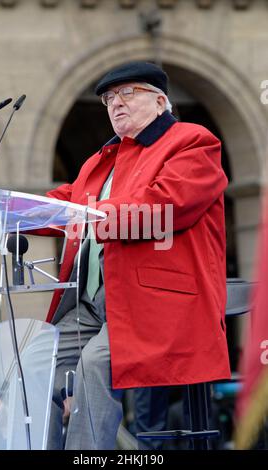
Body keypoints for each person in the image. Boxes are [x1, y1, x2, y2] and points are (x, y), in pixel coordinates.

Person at [34, 61, 231, 450]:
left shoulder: (193, 141)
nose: (116, 104)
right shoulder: (102, 160)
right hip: (93, 304)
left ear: (160, 102)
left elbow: (165, 206)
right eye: (109, 98)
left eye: (128, 93)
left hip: (156, 303)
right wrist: (4, 213)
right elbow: (63, 205)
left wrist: (92, 214)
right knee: (39, 362)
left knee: (93, 365)